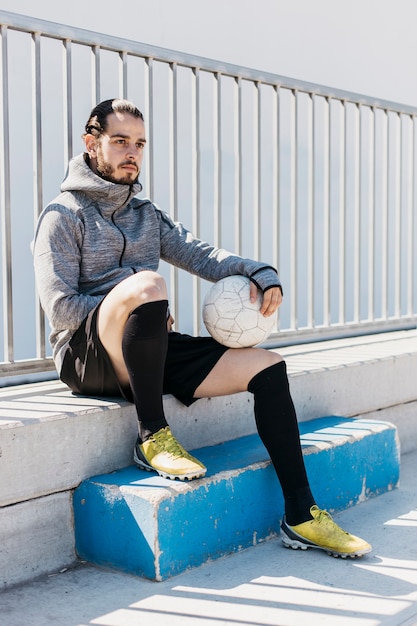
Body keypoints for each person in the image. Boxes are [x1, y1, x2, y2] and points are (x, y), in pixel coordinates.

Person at [33, 98, 371, 558]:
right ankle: (152, 434)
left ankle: (301, 514)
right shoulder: (62, 215)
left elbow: (201, 255)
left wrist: (260, 272)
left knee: (267, 367)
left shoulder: (146, 214)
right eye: (119, 142)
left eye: (139, 143)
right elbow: (60, 309)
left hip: (144, 351)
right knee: (148, 284)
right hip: (86, 358)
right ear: (91, 144)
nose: (131, 152)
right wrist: (134, 303)